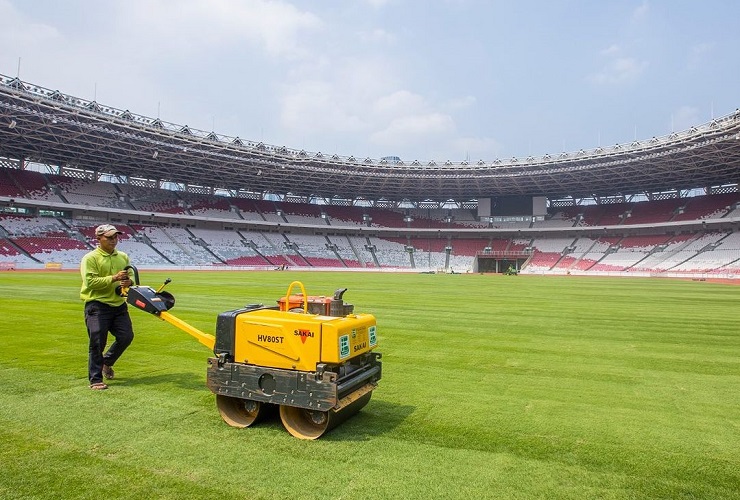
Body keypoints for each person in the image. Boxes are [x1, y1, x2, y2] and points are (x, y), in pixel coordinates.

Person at [80, 224, 134, 390]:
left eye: (115, 237)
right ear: (98, 239)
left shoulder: (123, 257)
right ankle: (95, 379)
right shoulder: (90, 258)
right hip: (97, 305)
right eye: (109, 237)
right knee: (97, 342)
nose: (113, 240)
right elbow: (91, 283)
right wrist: (114, 278)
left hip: (118, 305)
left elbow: (132, 277)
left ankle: (107, 362)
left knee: (126, 337)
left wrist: (128, 281)